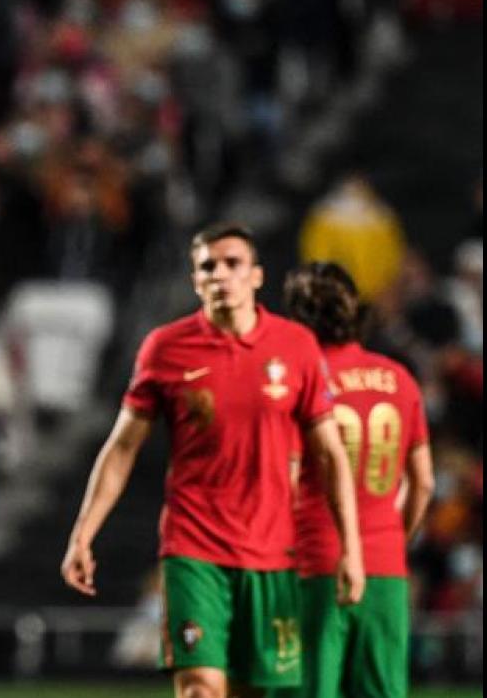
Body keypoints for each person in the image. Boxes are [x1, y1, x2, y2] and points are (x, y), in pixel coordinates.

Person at [59, 223, 366, 698]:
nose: (221, 274)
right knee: (200, 688)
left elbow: (329, 455)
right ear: (195, 281)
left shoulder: (296, 347)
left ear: (257, 275)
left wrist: (352, 548)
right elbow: (122, 448)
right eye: (208, 266)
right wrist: (84, 532)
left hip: (271, 554)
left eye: (232, 263)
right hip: (193, 550)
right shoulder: (166, 348)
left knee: (250, 690)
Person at [282, 262, 434, 698]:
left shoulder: (299, 381)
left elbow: (286, 477)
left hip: (314, 563)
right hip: (385, 566)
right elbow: (422, 482)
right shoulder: (399, 380)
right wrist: (393, 539)